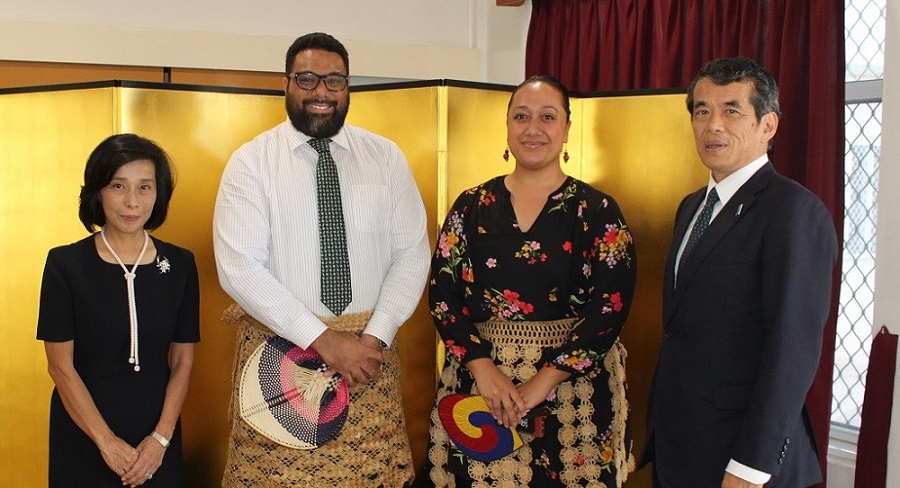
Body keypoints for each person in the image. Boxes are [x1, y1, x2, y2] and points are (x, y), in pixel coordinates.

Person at [213, 32, 430, 487]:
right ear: (286, 84)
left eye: (335, 81)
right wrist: (326, 342)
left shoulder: (386, 159)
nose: (321, 93)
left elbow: (411, 253)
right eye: (307, 79)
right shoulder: (251, 163)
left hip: (371, 360)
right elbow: (239, 268)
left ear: (348, 87)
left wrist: (374, 339)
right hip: (280, 362)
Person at [426, 74, 637, 487]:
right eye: (521, 116)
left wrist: (543, 381)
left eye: (547, 116)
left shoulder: (597, 211)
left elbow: (609, 310)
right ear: (507, 126)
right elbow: (443, 296)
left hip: (573, 389)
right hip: (482, 387)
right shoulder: (471, 205)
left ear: (566, 130)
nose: (533, 128)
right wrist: (484, 369)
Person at [639, 57, 839, 487]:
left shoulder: (793, 211)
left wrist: (750, 467)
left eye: (732, 110)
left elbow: (792, 352)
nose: (713, 125)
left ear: (768, 126)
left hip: (743, 462)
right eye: (702, 110)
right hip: (680, 447)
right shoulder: (691, 206)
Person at [37, 133, 200, 487]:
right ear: (98, 191)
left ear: (158, 194)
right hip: (84, 435)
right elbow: (60, 367)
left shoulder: (182, 264)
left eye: (145, 187)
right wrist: (106, 442)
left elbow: (184, 361)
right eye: (118, 186)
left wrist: (160, 439)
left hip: (157, 438)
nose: (132, 202)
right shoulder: (65, 265)